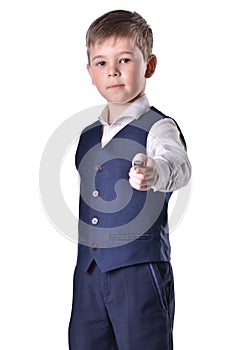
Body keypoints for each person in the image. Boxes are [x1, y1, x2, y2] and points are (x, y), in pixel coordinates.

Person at [68, 9, 191, 350]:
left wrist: (156, 172)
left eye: (125, 59)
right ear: (90, 71)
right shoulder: (88, 135)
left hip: (138, 269)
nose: (114, 71)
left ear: (149, 65)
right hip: (89, 273)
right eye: (102, 63)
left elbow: (178, 165)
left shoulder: (158, 126)